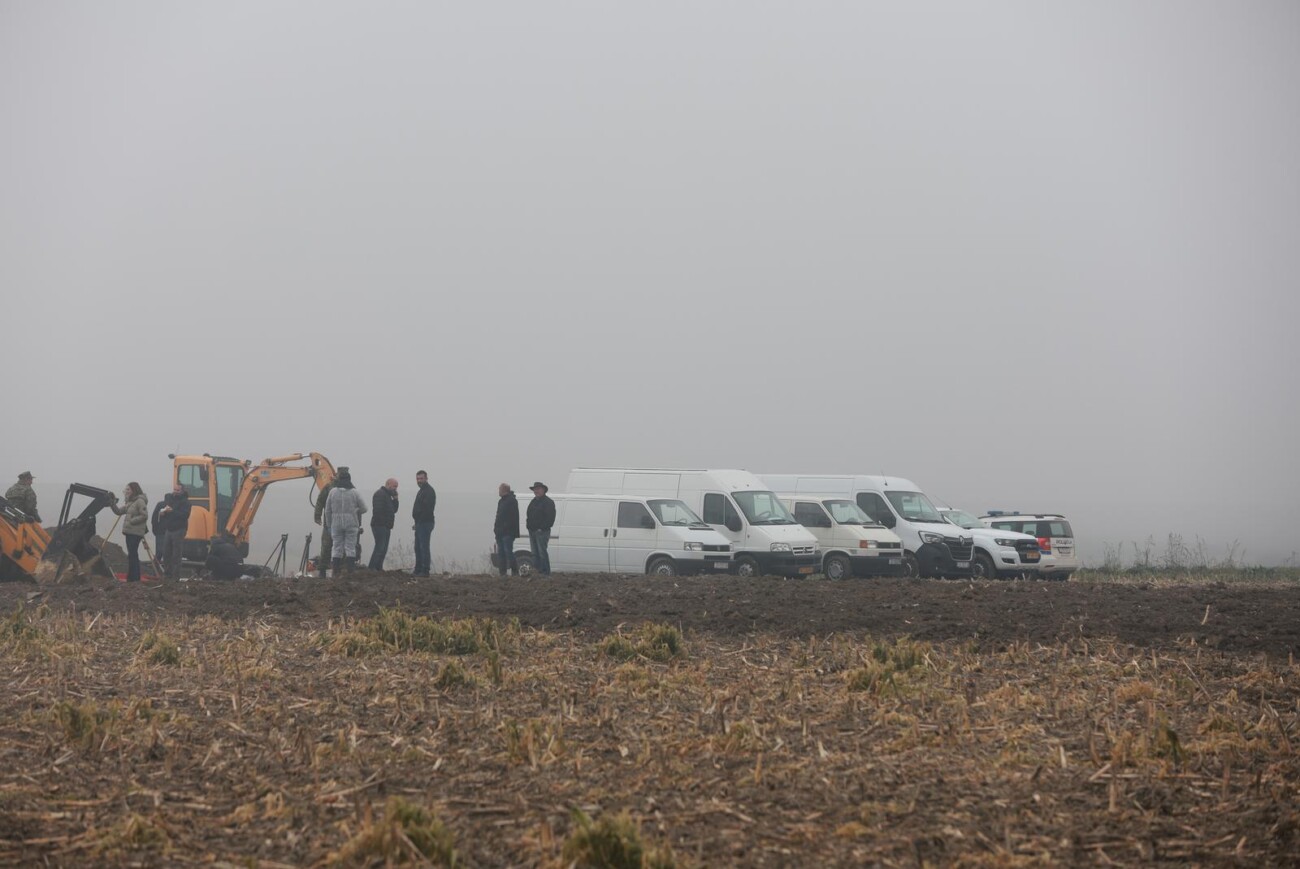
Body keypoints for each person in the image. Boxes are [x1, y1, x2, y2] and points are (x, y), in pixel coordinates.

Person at [322, 470, 367, 575]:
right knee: (350, 547)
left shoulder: (332, 492)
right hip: (351, 523)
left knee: (336, 547)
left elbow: (327, 510)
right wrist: (355, 511)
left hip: (336, 524)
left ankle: (335, 571)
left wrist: (329, 525)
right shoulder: (354, 492)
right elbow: (364, 509)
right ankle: (350, 571)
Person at [108, 482, 148, 582]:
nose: (126, 491)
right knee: (132, 554)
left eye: (128, 489)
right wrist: (112, 503)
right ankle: (132, 577)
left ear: (134, 490)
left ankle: (134, 578)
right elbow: (118, 512)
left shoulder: (140, 501)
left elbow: (144, 515)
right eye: (126, 489)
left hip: (135, 532)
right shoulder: (130, 502)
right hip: (130, 532)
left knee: (133, 554)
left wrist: (132, 521)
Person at [313, 466, 348, 578]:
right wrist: (317, 516)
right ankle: (323, 570)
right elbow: (320, 501)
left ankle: (339, 570)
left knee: (342, 547)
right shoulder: (329, 487)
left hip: (343, 523)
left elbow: (355, 507)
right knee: (327, 546)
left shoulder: (350, 489)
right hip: (330, 523)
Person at [159, 483, 191, 581]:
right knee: (166, 553)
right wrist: (163, 513)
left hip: (179, 529)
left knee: (176, 554)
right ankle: (167, 574)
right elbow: (167, 512)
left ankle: (175, 576)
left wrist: (172, 511)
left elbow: (185, 515)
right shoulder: (170, 499)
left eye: (178, 490)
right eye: (174, 489)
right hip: (169, 529)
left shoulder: (186, 502)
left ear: (182, 491)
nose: (175, 492)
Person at [368, 478, 399, 571]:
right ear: (388, 484)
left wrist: (396, 500)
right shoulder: (380, 494)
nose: (395, 489)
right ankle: (372, 567)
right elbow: (378, 511)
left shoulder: (388, 496)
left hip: (386, 526)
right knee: (380, 547)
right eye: (394, 486)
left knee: (384, 548)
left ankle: (378, 567)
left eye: (396, 487)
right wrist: (384, 524)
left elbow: (394, 510)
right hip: (379, 525)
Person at [526, 481, 555, 576]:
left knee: (542, 552)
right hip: (532, 531)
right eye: (535, 489)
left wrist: (541, 528)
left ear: (543, 490)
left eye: (538, 489)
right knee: (535, 553)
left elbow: (550, 518)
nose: (536, 491)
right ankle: (537, 571)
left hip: (542, 532)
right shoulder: (533, 501)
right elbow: (528, 514)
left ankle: (545, 573)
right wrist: (529, 526)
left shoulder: (548, 502)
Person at [411, 470, 437, 577]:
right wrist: (416, 523)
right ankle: (418, 569)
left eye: (421, 478)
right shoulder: (421, 491)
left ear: (426, 478)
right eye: (417, 479)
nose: (419, 481)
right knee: (417, 547)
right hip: (420, 523)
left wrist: (419, 522)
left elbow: (427, 510)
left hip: (425, 523)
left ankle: (425, 570)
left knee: (423, 547)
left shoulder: (429, 491)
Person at [493, 483, 520, 576]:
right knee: (501, 553)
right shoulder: (501, 501)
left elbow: (513, 518)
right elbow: (498, 516)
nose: (498, 491)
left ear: (504, 490)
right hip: (500, 532)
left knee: (508, 552)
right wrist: (496, 529)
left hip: (508, 533)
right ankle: (502, 573)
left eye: (499, 489)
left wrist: (505, 528)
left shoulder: (512, 501)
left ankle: (515, 571)